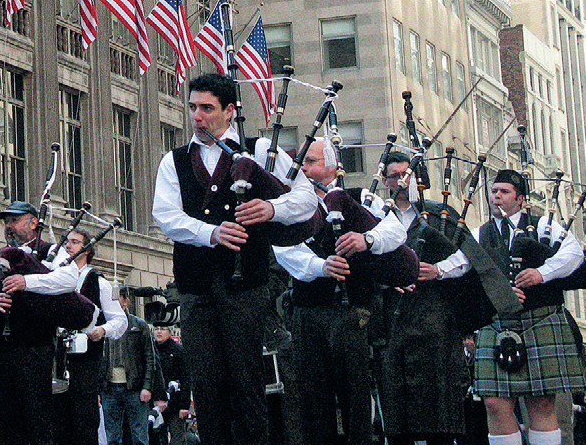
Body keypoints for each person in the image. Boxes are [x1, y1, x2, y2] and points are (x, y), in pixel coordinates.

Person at [152, 73, 318, 445]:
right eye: (193, 107)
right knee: (208, 386)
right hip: (195, 288)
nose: (197, 116)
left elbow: (306, 199)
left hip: (246, 286)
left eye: (207, 108)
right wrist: (211, 233)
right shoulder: (174, 161)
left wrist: (271, 208)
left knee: (247, 382)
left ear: (229, 111)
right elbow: (166, 215)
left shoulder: (258, 150)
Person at [272, 138, 407, 445]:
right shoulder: (293, 204)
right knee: (313, 401)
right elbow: (283, 249)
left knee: (356, 400)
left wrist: (366, 240)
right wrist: (321, 267)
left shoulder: (358, 199)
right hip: (307, 313)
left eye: (311, 162)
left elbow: (395, 231)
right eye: (301, 162)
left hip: (352, 314)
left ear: (332, 167)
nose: (302, 168)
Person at [473, 169, 586, 445]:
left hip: (540, 320)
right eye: (494, 191)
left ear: (520, 198)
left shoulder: (545, 225)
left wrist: (541, 273)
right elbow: (462, 267)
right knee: (495, 404)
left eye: (504, 192)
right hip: (498, 323)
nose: (496, 196)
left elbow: (574, 255)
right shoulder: (480, 233)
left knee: (541, 404)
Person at [373, 151, 473, 445]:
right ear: (386, 181)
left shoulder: (439, 214)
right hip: (392, 319)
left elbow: (469, 256)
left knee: (438, 407)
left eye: (408, 174)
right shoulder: (377, 217)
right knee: (397, 405)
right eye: (395, 176)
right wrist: (387, 280)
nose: (403, 182)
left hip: (435, 320)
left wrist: (438, 270)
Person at [0, 201, 85, 445]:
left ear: (33, 223)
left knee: (36, 417)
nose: (9, 227)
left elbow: (68, 279)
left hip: (35, 346)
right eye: (6, 222)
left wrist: (27, 281)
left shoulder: (50, 251)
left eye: (15, 221)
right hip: (0, 345)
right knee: (6, 419)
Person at [52, 229, 127, 445]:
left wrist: (102, 330)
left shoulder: (98, 283)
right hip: (57, 357)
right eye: (67, 241)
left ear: (87, 250)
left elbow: (119, 320)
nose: (68, 246)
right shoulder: (54, 275)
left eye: (75, 242)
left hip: (85, 360)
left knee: (84, 420)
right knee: (58, 420)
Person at [101, 288, 160, 445]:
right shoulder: (104, 326)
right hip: (109, 387)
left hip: (134, 387)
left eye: (116, 298)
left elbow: (150, 358)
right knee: (112, 436)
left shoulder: (139, 325)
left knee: (139, 436)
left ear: (126, 301)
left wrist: (147, 386)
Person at [149, 325, 188, 445]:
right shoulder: (150, 350)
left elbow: (185, 379)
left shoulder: (178, 350)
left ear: (170, 332)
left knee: (178, 438)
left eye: (163, 329)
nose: (159, 332)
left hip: (175, 404)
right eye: (156, 329)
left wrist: (184, 405)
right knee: (158, 438)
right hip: (155, 403)